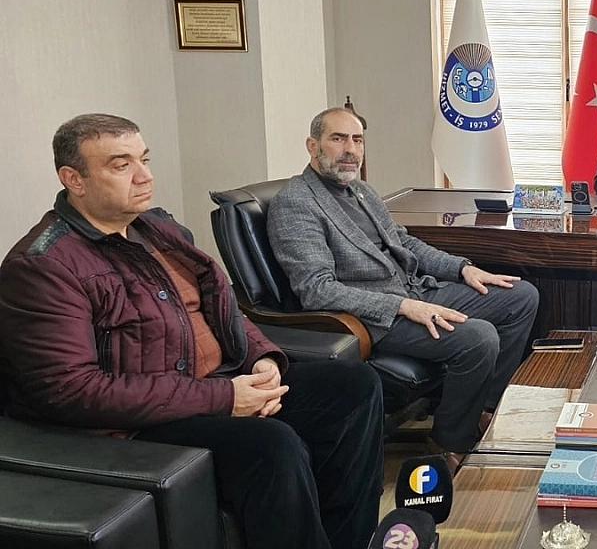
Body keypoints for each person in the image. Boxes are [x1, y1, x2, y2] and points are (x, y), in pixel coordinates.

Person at [0, 114, 384, 549]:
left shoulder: (156, 229)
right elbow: (71, 390)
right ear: (74, 179)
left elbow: (223, 307)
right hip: (136, 421)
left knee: (353, 386)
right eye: (121, 165)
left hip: (214, 382)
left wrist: (261, 356)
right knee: (272, 446)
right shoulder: (43, 266)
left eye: (144, 160)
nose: (144, 176)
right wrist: (224, 398)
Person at [267, 107, 538, 473]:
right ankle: (449, 442)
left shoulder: (361, 190)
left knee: (521, 297)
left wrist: (463, 268)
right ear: (312, 146)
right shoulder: (295, 203)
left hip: (414, 291)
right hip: (373, 317)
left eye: (357, 140)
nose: (350, 150)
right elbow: (317, 290)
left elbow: (405, 243)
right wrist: (402, 306)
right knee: (479, 338)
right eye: (338, 139)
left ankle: (483, 411)